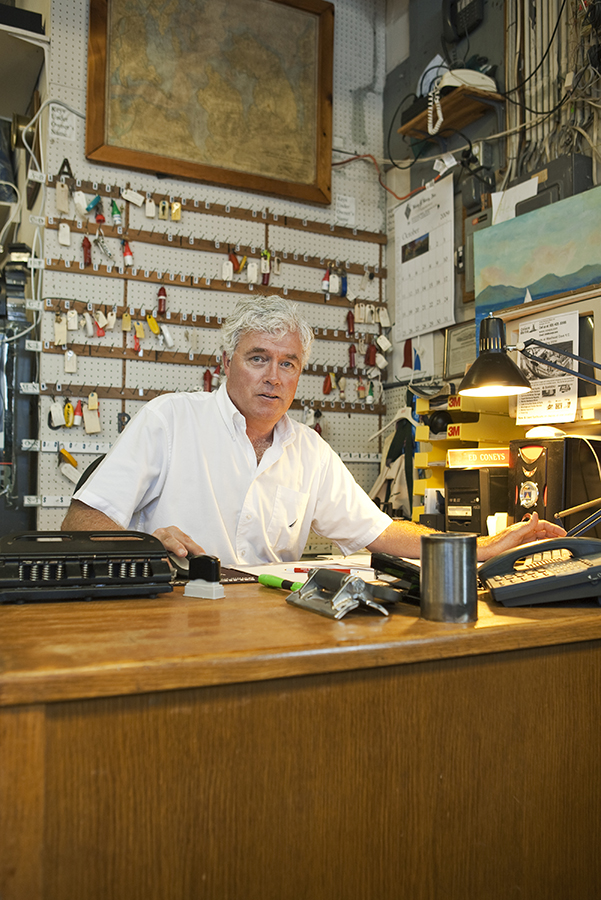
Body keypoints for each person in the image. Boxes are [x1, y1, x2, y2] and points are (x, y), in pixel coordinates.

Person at [61, 296, 565, 563]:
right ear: (226, 363)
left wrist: (481, 547)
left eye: (288, 363)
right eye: (258, 358)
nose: (274, 377)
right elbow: (78, 528)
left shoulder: (308, 450)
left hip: (268, 628)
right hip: (170, 619)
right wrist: (148, 542)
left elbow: (383, 534)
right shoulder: (168, 420)